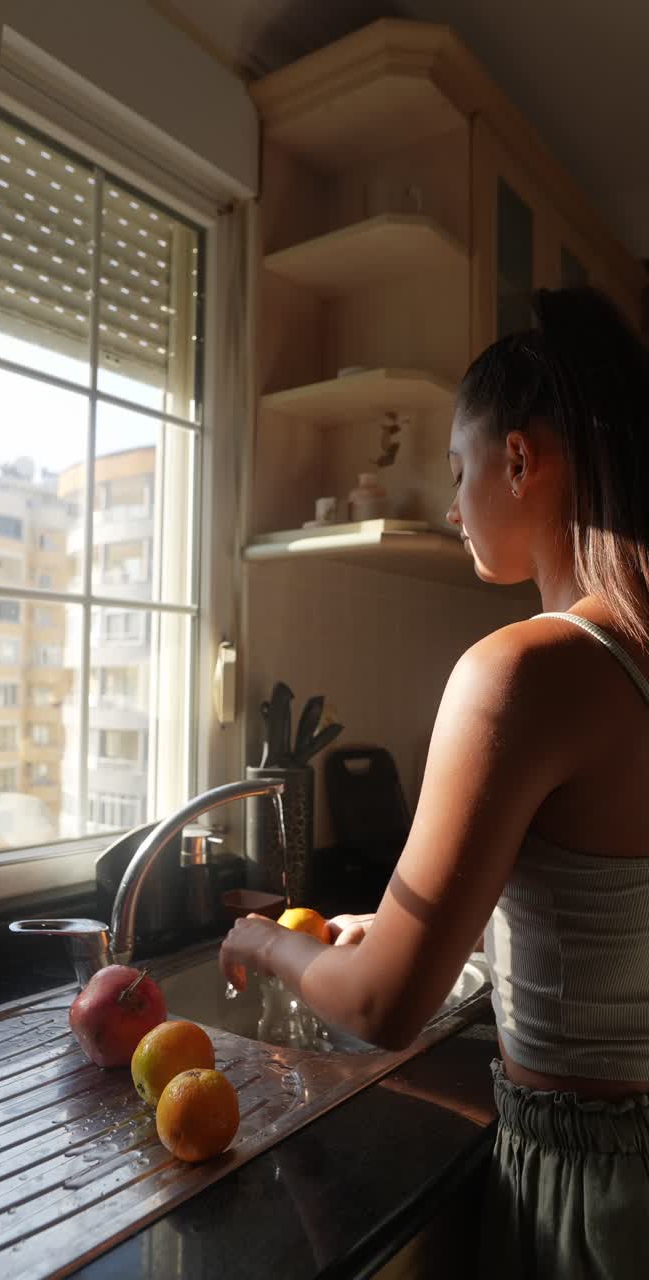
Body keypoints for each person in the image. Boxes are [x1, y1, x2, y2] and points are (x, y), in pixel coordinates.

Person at [220, 286, 649, 1278]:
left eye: (459, 470)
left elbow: (381, 1008)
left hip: (592, 1198)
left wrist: (259, 940)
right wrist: (407, 923)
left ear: (518, 458)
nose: (454, 506)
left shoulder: (518, 672)